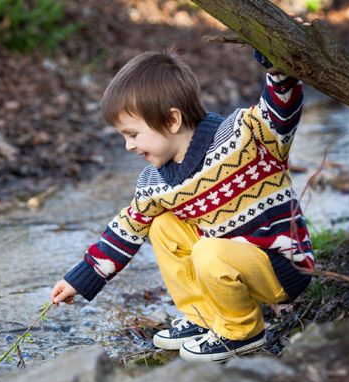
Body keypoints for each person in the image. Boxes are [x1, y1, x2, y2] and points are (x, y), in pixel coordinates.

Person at [50, 47, 314, 362]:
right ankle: (204, 316)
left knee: (208, 250)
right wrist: (79, 279)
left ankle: (241, 332)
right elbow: (126, 229)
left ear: (172, 120)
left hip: (280, 266)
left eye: (133, 134)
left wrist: (276, 62)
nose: (128, 145)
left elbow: (281, 109)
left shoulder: (244, 135)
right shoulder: (155, 182)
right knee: (161, 226)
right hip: (228, 262)